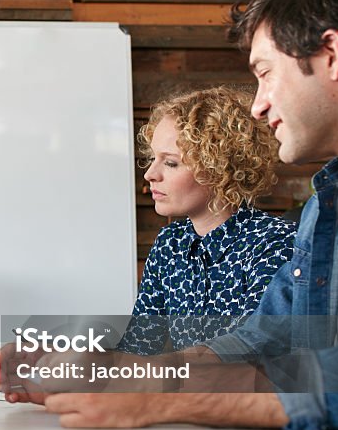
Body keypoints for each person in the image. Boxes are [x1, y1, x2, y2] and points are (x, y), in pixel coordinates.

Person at [0, 0, 338, 430]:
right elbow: (266, 334)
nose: (258, 107)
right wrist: (121, 371)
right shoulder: (329, 202)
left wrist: (168, 398)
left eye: (264, 72)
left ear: (332, 54)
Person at [118, 85, 295, 356]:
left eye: (171, 163)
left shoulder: (274, 244)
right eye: (154, 159)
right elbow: (138, 349)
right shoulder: (170, 245)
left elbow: (247, 354)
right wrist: (66, 361)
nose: (150, 174)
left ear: (219, 167)